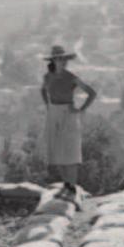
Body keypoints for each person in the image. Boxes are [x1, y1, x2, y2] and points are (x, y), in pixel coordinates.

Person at [39, 44, 97, 191]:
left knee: (70, 150)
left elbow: (91, 93)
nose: (62, 62)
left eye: (64, 59)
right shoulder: (48, 77)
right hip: (53, 113)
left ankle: (72, 185)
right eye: (59, 59)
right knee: (56, 150)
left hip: (68, 113)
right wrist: (48, 106)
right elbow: (43, 91)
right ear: (53, 61)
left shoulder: (71, 77)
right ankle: (66, 184)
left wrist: (81, 109)